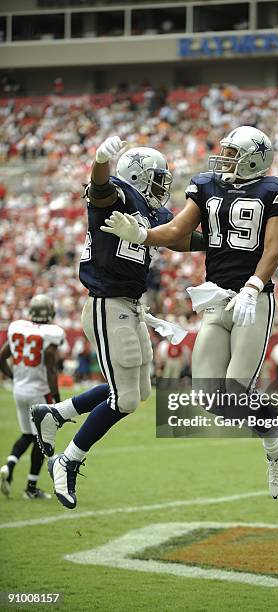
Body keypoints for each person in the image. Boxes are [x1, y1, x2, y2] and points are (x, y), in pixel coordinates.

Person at [101, 125, 278, 499]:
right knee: (212, 399)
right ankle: (275, 433)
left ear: (254, 158)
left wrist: (253, 287)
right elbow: (178, 229)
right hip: (215, 299)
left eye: (231, 153)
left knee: (237, 389)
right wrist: (142, 235)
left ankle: (275, 449)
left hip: (252, 300)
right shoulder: (208, 185)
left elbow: (274, 247)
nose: (223, 158)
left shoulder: (277, 192)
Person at [31, 136, 204, 510]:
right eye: (157, 178)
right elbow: (101, 192)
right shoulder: (121, 194)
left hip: (129, 306)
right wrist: (100, 163)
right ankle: (68, 459)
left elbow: (181, 238)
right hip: (107, 305)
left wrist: (228, 243)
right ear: (137, 176)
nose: (162, 186)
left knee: (137, 391)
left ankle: (55, 413)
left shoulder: (152, 212)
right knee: (123, 398)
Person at [0, 295, 63, 499]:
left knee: (27, 434)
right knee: (41, 439)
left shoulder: (18, 328)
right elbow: (51, 368)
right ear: (50, 312)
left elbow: (2, 357)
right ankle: (31, 487)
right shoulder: (51, 333)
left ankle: (9, 466)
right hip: (39, 391)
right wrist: (56, 398)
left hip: (19, 390)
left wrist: (14, 377)